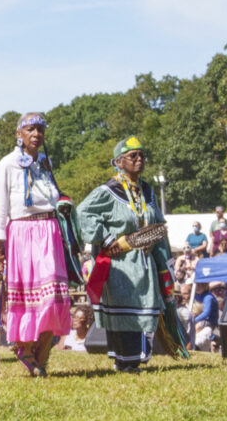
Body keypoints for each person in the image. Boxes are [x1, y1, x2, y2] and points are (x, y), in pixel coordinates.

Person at [75, 136, 174, 373]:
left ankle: (134, 359)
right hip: (120, 264)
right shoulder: (107, 191)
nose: (139, 160)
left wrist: (159, 250)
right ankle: (125, 361)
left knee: (145, 306)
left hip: (144, 260)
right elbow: (82, 214)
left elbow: (158, 223)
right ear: (119, 162)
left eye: (142, 155)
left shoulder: (147, 191)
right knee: (123, 309)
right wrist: (107, 238)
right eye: (133, 156)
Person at [0, 113, 72, 376]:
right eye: (30, 129)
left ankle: (43, 350)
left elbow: (53, 196)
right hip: (23, 232)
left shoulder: (45, 163)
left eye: (40, 130)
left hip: (50, 230)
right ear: (19, 134)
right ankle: (25, 348)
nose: (36, 134)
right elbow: (0, 209)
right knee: (29, 295)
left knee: (53, 294)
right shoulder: (7, 164)